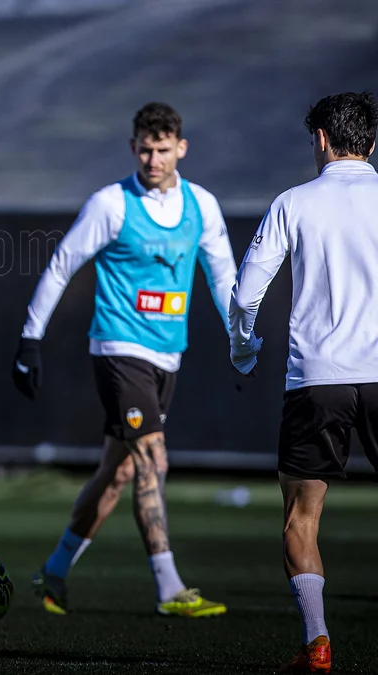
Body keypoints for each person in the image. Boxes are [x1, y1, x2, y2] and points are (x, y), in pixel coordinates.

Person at [12, 102, 234, 618]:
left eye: (163, 149)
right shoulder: (110, 204)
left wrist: (240, 340)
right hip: (118, 349)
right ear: (133, 147)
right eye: (145, 149)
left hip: (168, 356)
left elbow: (224, 277)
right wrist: (30, 338)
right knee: (153, 458)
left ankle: (54, 572)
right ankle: (169, 588)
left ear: (181, 148)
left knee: (117, 473)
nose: (153, 159)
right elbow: (62, 265)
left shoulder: (202, 205)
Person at [229, 91, 378, 675]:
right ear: (372, 142)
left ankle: (317, 642)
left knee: (301, 518)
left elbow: (247, 294)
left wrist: (243, 349)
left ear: (319, 139)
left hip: (317, 380)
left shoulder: (293, 202)